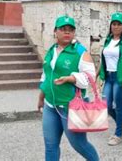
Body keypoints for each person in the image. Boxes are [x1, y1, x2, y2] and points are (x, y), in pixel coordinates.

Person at [37, 15, 99, 161]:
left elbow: (90, 79)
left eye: (70, 30)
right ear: (55, 31)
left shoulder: (80, 52)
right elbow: (46, 76)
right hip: (50, 105)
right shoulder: (52, 50)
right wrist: (41, 97)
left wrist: (71, 78)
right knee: (50, 145)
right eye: (63, 29)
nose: (67, 32)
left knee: (79, 144)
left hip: (71, 108)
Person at [98, 12, 122, 146]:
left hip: (121, 78)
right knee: (107, 105)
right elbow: (103, 59)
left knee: (118, 105)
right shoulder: (108, 41)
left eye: (119, 24)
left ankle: (118, 134)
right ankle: (121, 123)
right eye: (114, 24)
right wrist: (98, 73)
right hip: (109, 77)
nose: (116, 27)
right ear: (111, 26)